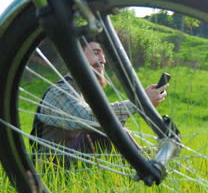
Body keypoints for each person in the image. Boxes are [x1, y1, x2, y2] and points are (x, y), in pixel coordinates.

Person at [30, 38, 168, 160]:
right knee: (105, 126)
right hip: (51, 172)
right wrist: (140, 103)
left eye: (103, 54)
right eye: (96, 53)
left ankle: (142, 160)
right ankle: (142, 161)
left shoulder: (86, 94)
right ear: (77, 56)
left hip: (76, 166)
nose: (103, 60)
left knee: (110, 125)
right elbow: (91, 119)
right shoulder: (59, 92)